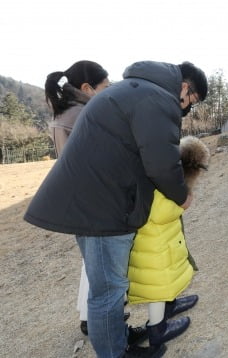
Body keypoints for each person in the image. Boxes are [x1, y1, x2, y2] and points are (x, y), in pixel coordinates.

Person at [25, 60, 208, 358]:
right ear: (185, 87)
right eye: (192, 100)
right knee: (107, 291)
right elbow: (162, 162)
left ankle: (118, 337)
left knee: (110, 286)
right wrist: (182, 195)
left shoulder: (136, 90)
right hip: (99, 205)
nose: (187, 108)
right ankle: (115, 353)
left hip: (98, 198)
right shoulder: (157, 98)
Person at [44, 60, 131, 338]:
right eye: (104, 87)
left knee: (93, 267)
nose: (107, 92)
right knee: (103, 275)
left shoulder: (64, 114)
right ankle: (103, 328)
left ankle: (90, 318)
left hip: (78, 200)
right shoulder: (84, 113)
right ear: (87, 88)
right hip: (94, 201)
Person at [127, 136, 209, 350]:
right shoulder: (164, 182)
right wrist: (182, 204)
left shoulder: (164, 173)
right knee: (158, 287)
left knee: (167, 280)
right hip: (153, 246)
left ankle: (169, 305)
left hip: (159, 242)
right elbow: (160, 211)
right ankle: (157, 329)